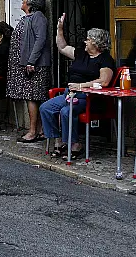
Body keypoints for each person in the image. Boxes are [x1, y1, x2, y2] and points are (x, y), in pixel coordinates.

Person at [40, 14, 116, 159]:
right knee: (46, 108)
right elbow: (62, 47)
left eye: (88, 39)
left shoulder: (105, 59)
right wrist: (59, 29)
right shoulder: (81, 53)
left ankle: (74, 144)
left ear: (96, 42)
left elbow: (104, 81)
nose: (85, 41)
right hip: (70, 94)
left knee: (66, 112)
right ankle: (59, 141)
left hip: (89, 97)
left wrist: (81, 86)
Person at [6, 0, 52, 143]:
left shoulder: (38, 17)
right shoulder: (29, 17)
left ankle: (33, 131)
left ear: (31, 3)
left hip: (35, 66)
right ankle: (39, 130)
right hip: (27, 65)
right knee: (30, 97)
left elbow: (40, 40)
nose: (23, 0)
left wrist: (31, 61)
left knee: (32, 97)